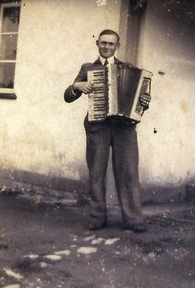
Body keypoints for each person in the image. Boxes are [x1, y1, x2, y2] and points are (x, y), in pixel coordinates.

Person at [64, 30, 151, 232]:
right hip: (98, 127)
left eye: (111, 44)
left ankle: (133, 220)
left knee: (128, 173)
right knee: (96, 173)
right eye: (103, 43)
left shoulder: (127, 68)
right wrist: (77, 85)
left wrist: (145, 102)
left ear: (117, 46)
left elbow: (140, 100)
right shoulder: (88, 68)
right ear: (97, 43)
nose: (106, 47)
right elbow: (68, 96)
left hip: (124, 129)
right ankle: (97, 218)